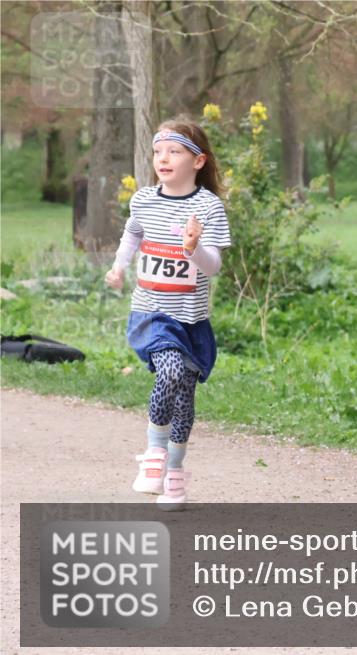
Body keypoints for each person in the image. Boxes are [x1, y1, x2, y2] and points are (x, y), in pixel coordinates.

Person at [104, 117, 231, 510]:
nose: (163, 158)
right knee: (171, 371)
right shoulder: (143, 199)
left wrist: (193, 246)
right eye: (158, 151)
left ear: (197, 161)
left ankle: (175, 472)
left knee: (185, 396)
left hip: (190, 319)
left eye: (174, 151)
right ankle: (154, 452)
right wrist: (119, 266)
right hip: (150, 313)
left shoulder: (208, 207)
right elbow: (133, 234)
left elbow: (213, 267)